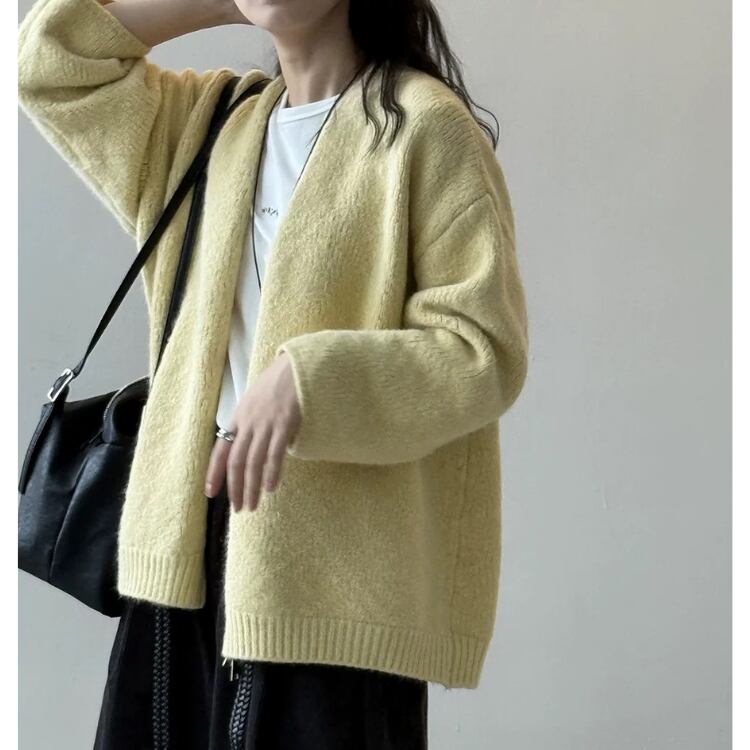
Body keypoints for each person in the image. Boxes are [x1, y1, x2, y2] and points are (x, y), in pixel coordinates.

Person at [17, 0, 530, 747]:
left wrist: (307, 381)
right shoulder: (210, 124)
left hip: (332, 591)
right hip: (180, 560)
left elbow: (482, 350)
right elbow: (51, 59)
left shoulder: (425, 128)